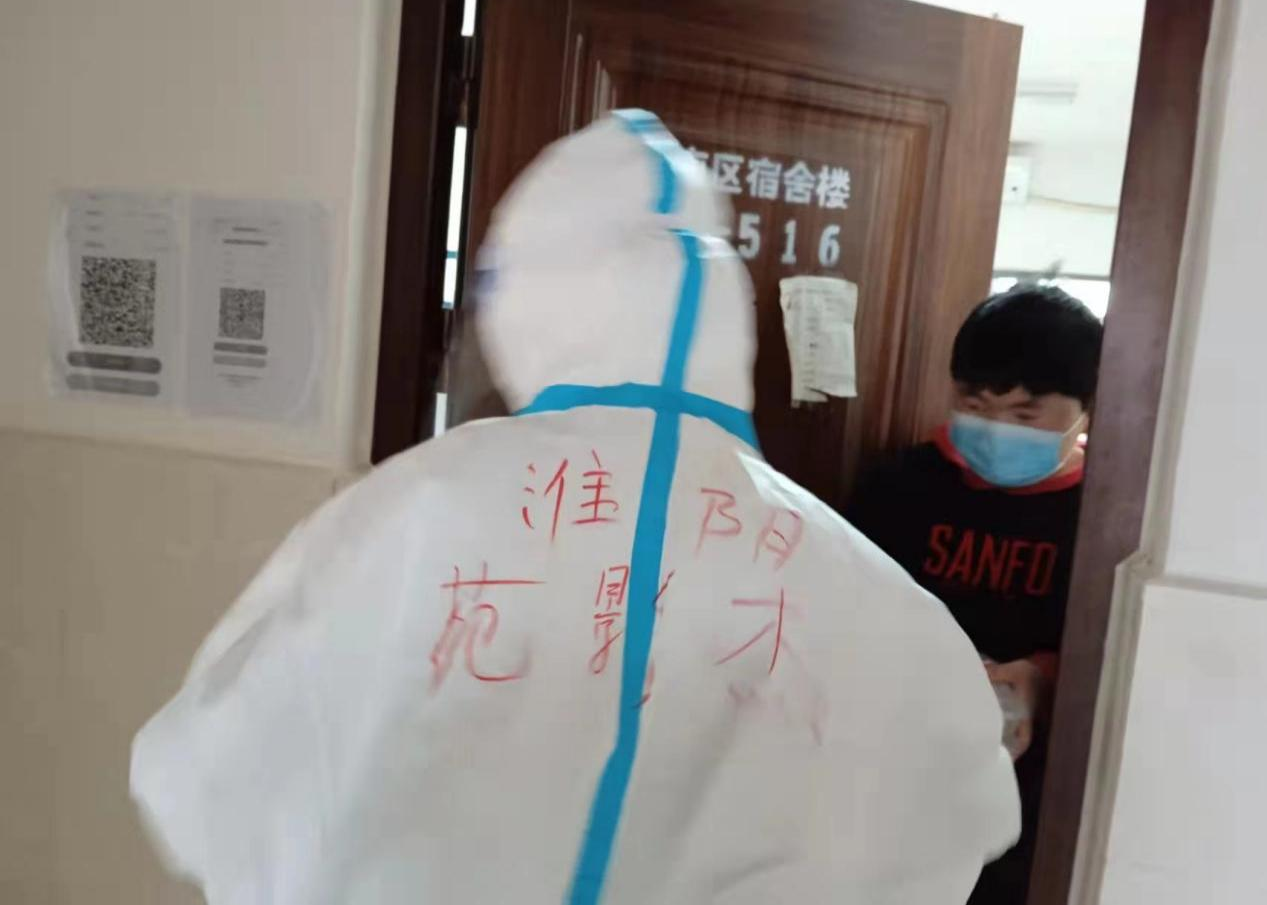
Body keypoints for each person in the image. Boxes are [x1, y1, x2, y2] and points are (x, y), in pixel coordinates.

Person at [131, 111, 1018, 905]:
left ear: (527, 301)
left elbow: (206, 764)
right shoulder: (850, 574)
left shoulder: (417, 505)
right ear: (727, 316)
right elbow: (960, 797)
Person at [847, 284, 1104, 904]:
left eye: (1024, 416)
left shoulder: (1100, 517)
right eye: (975, 404)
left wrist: (1042, 679)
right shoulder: (898, 487)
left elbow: (1116, 651)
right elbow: (842, 606)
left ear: (1086, 410)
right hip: (893, 765)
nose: (995, 429)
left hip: (1026, 792)